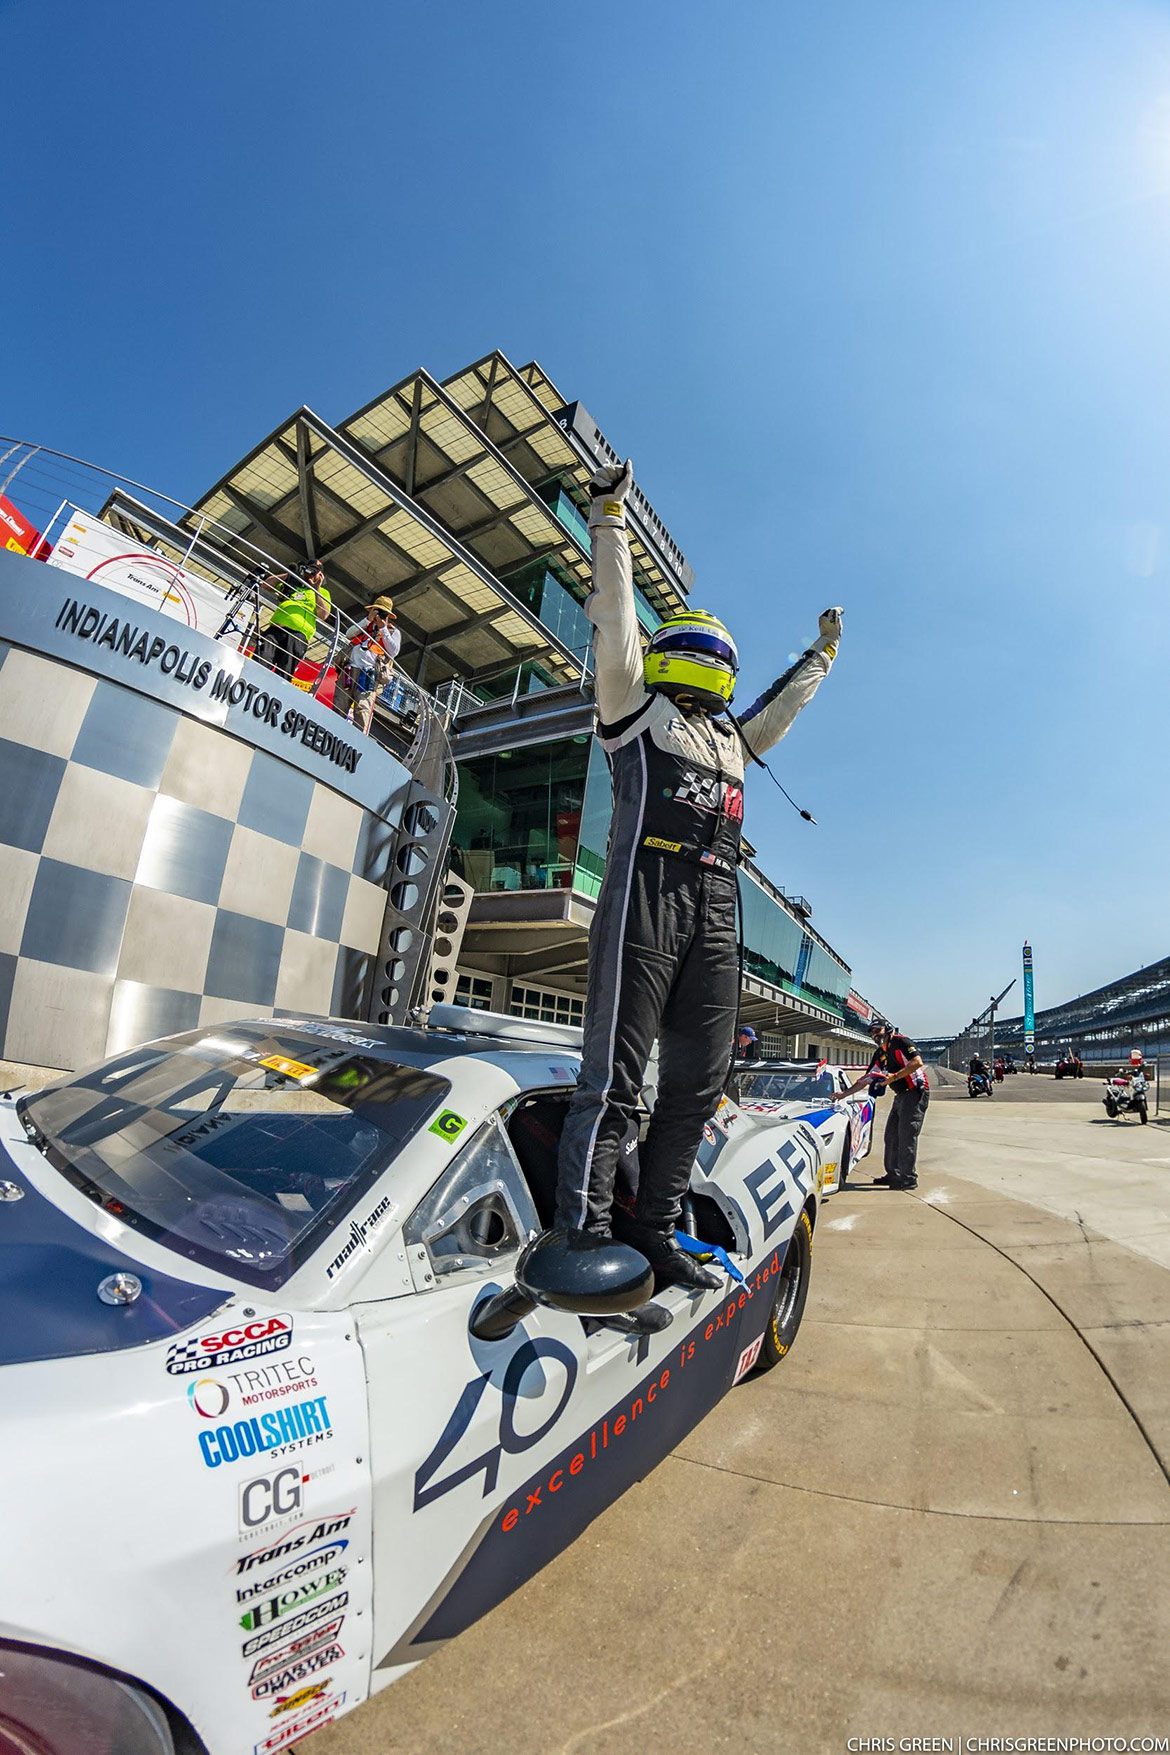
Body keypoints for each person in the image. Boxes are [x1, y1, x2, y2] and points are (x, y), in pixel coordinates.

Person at [553, 458, 843, 1289]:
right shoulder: (631, 704)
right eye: (702, 650)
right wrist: (609, 515)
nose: (712, 662)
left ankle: (653, 1231)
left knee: (699, 1079)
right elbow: (613, 614)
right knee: (611, 1079)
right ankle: (579, 1235)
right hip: (644, 888)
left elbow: (782, 705)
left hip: (720, 903)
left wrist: (823, 653)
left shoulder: (733, 743)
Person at [838, 1019, 929, 1189]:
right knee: (891, 1136)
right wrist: (843, 1094)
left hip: (915, 1092)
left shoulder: (901, 1042)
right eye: (871, 1032)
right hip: (901, 1094)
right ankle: (893, 1174)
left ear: (887, 1029)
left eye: (877, 1030)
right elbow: (866, 1079)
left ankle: (908, 1178)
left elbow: (917, 1062)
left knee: (906, 1136)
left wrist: (893, 1077)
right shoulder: (880, 1053)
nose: (874, 1035)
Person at [334, 595, 401, 733]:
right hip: (349, 670)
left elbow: (393, 651)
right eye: (377, 610)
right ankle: (333, 732)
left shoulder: (393, 631)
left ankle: (356, 742)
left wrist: (383, 628)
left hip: (368, 675)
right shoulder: (365, 624)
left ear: (388, 615)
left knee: (362, 710)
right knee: (339, 703)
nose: (379, 614)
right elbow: (349, 634)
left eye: (383, 612)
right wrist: (368, 619)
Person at [261, 561, 332, 680]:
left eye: (315, 571)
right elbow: (265, 585)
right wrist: (290, 574)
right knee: (262, 658)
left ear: (320, 575)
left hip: (298, 636)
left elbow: (323, 614)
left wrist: (316, 590)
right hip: (276, 628)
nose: (311, 573)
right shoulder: (292, 582)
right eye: (310, 569)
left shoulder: (323, 592)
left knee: (285, 671)